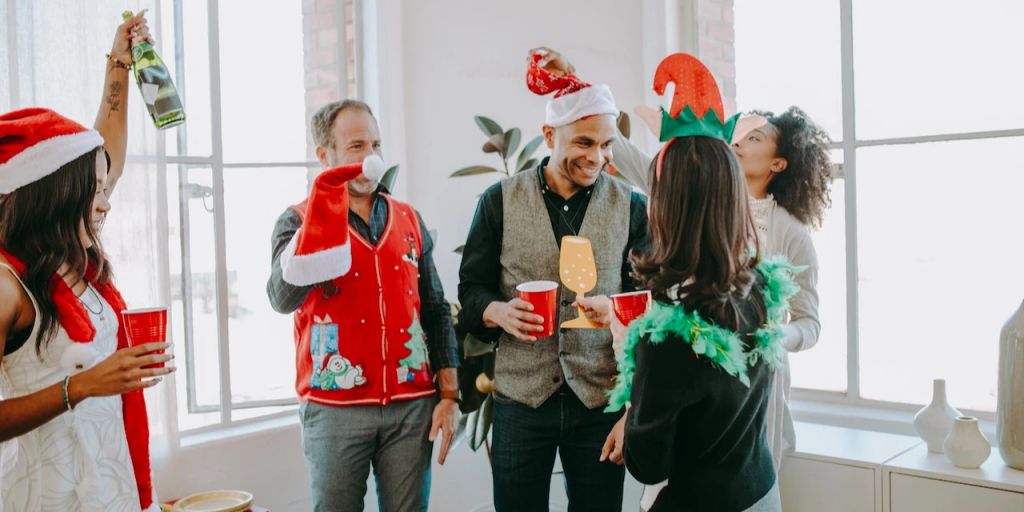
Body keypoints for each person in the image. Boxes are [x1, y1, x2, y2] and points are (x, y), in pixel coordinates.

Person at [593, 52, 800, 511]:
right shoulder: (760, 291)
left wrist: (627, 340)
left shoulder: (667, 340)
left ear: (665, 207)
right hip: (762, 494)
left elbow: (648, 465)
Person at [456, 48, 649, 511]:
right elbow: (470, 289)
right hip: (522, 400)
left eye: (606, 145)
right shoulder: (498, 200)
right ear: (549, 135)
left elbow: (647, 302)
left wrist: (631, 407)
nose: (597, 157)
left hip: (599, 401)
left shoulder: (632, 206)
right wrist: (496, 311)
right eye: (584, 143)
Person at [0, 13, 173, 512]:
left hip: (109, 482)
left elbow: (106, 146)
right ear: (55, 199)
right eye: (95, 191)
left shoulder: (72, 261)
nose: (106, 201)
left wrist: (120, 64)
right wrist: (82, 386)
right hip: (46, 497)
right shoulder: (8, 284)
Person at [266, 99, 460, 512]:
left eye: (375, 144)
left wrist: (449, 394)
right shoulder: (297, 222)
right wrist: (317, 229)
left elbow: (436, 309)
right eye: (356, 147)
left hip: (412, 407)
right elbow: (281, 300)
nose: (370, 157)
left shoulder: (409, 219)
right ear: (325, 156)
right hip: (334, 409)